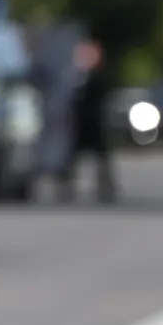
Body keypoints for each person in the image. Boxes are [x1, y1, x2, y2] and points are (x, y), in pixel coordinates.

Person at [60, 39, 117, 204]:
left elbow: (101, 100)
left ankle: (106, 189)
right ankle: (67, 189)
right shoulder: (76, 77)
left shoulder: (97, 79)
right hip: (80, 124)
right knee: (72, 159)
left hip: (95, 124)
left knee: (101, 158)